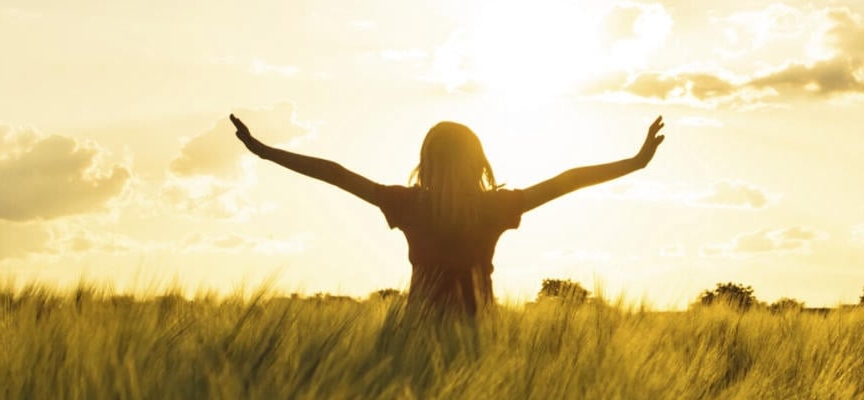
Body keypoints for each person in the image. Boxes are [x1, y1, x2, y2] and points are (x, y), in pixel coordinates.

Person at [230, 114, 666, 318]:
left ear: (426, 160)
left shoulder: (406, 204)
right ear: (479, 162)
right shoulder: (496, 207)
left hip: (413, 335)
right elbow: (568, 179)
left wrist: (263, 151)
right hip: (482, 337)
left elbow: (334, 173)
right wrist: (635, 161)